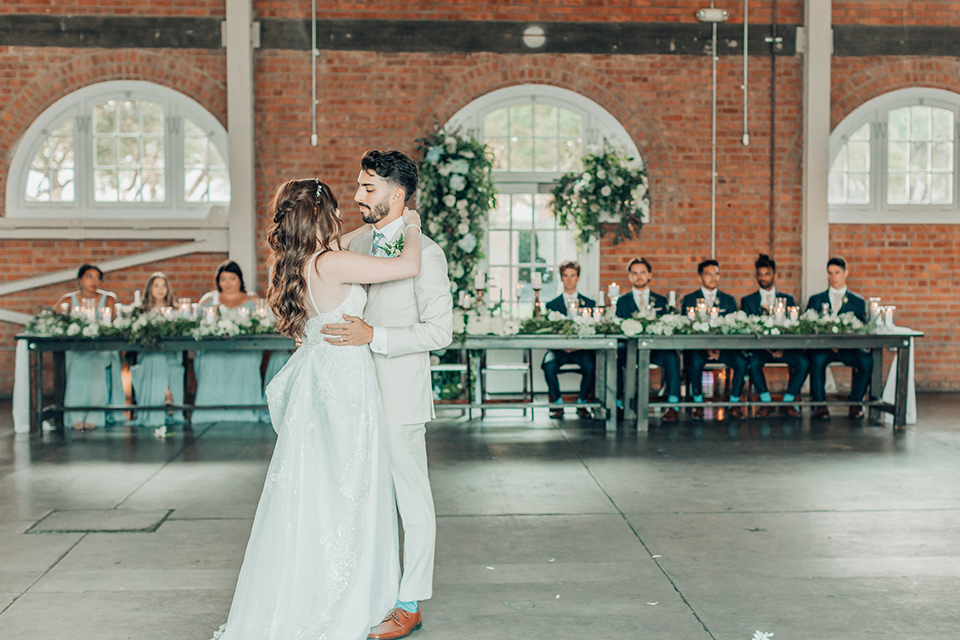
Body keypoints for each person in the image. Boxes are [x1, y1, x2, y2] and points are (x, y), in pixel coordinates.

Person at [213, 178, 423, 640]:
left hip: (319, 386)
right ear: (323, 215)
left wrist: (368, 228)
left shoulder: (298, 263)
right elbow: (408, 265)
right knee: (352, 486)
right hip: (346, 387)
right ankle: (351, 596)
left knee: (317, 489)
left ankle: (306, 589)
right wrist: (409, 222)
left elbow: (347, 243)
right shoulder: (334, 263)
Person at [321, 150, 453, 640]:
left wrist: (374, 335)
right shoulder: (351, 241)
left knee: (412, 504)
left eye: (368, 188)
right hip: (350, 396)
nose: (357, 196)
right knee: (356, 498)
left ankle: (408, 602)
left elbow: (441, 332)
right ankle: (361, 590)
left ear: (397, 195)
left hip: (398, 398)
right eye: (359, 186)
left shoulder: (429, 255)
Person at [192, 260, 265, 423]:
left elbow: (260, 322)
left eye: (232, 278)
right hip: (215, 348)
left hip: (244, 348)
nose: (228, 283)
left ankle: (245, 410)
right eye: (223, 279)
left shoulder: (252, 299)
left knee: (245, 360)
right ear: (218, 281)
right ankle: (209, 410)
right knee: (210, 360)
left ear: (240, 279)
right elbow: (197, 323)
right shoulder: (209, 299)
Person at [54, 264, 124, 430]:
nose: (94, 281)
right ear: (80, 279)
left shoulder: (108, 299)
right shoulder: (67, 300)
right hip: (78, 349)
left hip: (101, 349)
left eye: (97, 277)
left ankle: (95, 415)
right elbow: (53, 320)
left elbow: (113, 326)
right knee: (78, 364)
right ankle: (75, 416)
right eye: (89, 276)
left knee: (96, 364)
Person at [740, 254, 808, 418]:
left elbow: (794, 327)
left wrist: (782, 347)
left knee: (804, 362)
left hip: (785, 348)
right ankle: (766, 402)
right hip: (761, 349)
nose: (763, 278)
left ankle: (788, 401)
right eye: (760, 274)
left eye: (767, 273)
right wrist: (768, 347)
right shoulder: (748, 301)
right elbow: (746, 328)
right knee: (752, 362)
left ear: (774, 275)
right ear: (756, 276)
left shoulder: (788, 299)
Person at [805, 256, 872, 420]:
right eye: (830, 273)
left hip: (849, 349)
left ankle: (856, 403)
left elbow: (861, 329)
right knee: (816, 359)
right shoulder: (816, 300)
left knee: (867, 360)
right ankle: (820, 405)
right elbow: (807, 325)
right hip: (824, 349)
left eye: (837, 272)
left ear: (845, 273)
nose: (833, 277)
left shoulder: (858, 301)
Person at [680, 259, 748, 420]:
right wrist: (706, 347)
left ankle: (734, 404)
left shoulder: (728, 300)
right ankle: (698, 404)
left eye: (716, 274)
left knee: (742, 362)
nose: (713, 278)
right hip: (699, 348)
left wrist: (719, 347)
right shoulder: (690, 300)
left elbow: (733, 327)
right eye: (709, 274)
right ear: (700, 277)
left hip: (724, 349)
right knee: (695, 361)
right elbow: (686, 328)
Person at [615, 257, 681, 422]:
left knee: (672, 355)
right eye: (635, 273)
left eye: (643, 272)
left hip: (655, 350)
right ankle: (617, 403)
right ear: (629, 276)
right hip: (630, 350)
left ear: (650, 275)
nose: (639, 277)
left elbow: (667, 326)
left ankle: (673, 404)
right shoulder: (622, 301)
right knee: (614, 357)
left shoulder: (661, 301)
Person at [542, 260, 596, 420]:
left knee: (591, 365)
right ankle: (557, 403)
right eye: (566, 276)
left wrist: (578, 346)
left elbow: (593, 329)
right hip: (559, 350)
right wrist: (562, 345)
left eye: (573, 275)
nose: (570, 279)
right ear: (561, 278)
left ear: (578, 278)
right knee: (548, 365)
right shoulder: (551, 305)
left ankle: (582, 402)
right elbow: (549, 332)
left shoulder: (590, 304)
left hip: (581, 349)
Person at [130, 272, 186, 426]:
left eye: (164, 286)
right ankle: (167, 394)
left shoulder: (175, 311)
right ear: (150, 289)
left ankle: (166, 396)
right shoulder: (141, 312)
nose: (160, 289)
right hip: (148, 355)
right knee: (156, 359)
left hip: (170, 355)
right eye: (156, 285)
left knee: (161, 359)